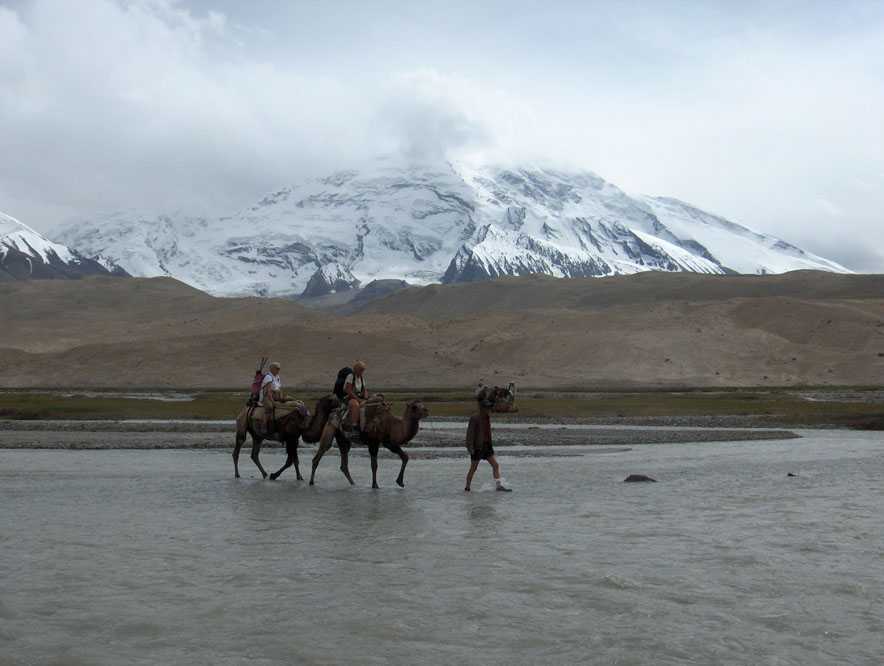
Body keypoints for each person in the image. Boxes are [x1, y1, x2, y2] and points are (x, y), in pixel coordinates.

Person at [464, 384, 511, 492]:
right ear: (482, 408)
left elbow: (493, 402)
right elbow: (469, 434)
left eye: (489, 407)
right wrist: (470, 448)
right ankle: (467, 487)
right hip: (477, 447)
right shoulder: (475, 418)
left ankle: (498, 486)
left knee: (495, 465)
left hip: (487, 446)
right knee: (473, 468)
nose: (489, 409)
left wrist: (496, 393)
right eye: (487, 408)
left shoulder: (487, 416)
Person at [344, 360, 369, 432]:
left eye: (363, 370)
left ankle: (365, 426)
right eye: (360, 370)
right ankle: (353, 426)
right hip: (350, 398)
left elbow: (364, 390)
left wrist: (367, 397)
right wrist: (358, 399)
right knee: (355, 405)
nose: (362, 372)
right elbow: (348, 390)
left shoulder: (361, 378)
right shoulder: (351, 376)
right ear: (355, 369)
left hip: (359, 398)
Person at [259, 361, 283, 434]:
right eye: (277, 369)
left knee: (289, 401)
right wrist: (273, 402)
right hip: (267, 396)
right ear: (272, 369)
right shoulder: (268, 377)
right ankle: (264, 426)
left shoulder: (277, 377)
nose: (278, 370)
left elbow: (279, 388)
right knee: (270, 407)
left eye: (279, 369)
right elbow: (268, 392)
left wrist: (282, 397)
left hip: (276, 395)